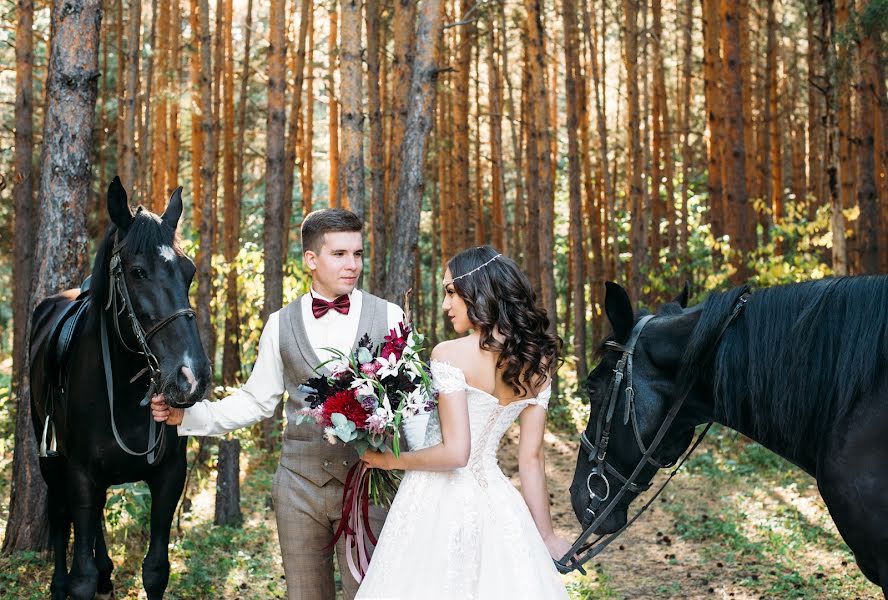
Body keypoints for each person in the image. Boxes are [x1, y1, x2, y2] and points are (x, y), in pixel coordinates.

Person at [150, 209, 405, 600]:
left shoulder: (390, 315)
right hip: (298, 488)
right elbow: (255, 400)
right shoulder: (280, 323)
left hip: (369, 485)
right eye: (339, 254)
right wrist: (188, 415)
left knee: (375, 593)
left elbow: (410, 407)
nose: (352, 265)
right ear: (311, 259)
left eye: (357, 254)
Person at [356, 245, 572, 599]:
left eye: (452, 292)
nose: (446, 305)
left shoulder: (450, 354)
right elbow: (531, 460)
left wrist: (386, 460)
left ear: (480, 291)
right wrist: (545, 536)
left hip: (436, 500)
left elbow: (456, 454)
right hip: (498, 503)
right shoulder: (538, 365)